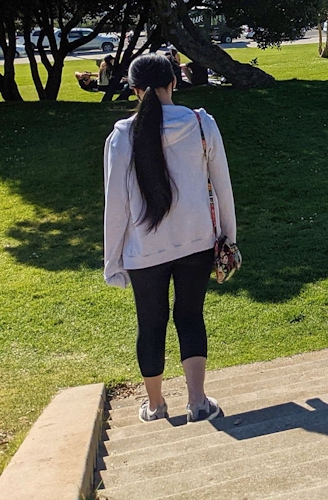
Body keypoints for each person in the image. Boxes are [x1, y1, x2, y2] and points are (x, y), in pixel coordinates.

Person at [103, 53, 236, 425]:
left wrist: (112, 261)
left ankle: (156, 405)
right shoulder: (200, 123)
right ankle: (197, 401)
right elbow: (222, 185)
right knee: (190, 316)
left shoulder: (121, 137)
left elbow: (115, 206)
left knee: (151, 322)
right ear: (174, 83)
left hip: (143, 249)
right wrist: (229, 235)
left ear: (134, 90)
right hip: (197, 240)